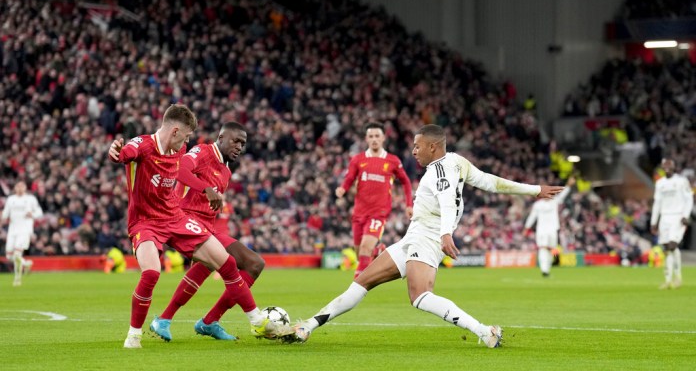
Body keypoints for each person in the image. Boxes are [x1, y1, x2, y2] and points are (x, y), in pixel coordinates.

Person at [286, 124, 564, 346]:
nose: (414, 151)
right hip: (414, 236)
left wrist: (445, 234)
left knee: (419, 296)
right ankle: (309, 326)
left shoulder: (439, 172)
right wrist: (533, 189)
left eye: (417, 146)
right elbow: (490, 182)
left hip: (428, 237)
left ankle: (484, 331)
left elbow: (445, 199)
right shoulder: (457, 162)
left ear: (433, 146)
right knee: (362, 282)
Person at [108, 105, 286, 349]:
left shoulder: (185, 150)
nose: (188, 142)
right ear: (175, 130)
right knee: (151, 273)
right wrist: (115, 151)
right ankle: (134, 335)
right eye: (187, 135)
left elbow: (179, 167)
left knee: (228, 263)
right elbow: (125, 153)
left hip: (176, 217)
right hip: (145, 221)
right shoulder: (146, 145)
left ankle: (256, 320)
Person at [150, 122, 266, 342]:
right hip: (183, 220)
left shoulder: (226, 169)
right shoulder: (202, 151)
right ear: (221, 137)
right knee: (239, 263)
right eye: (235, 141)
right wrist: (206, 188)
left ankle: (182, 320)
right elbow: (180, 170)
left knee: (251, 264)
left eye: (243, 143)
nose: (239, 147)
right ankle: (250, 319)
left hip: (206, 227)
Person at [336, 122, 413, 278]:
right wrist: (343, 188)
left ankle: (358, 284)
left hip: (379, 212)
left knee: (365, 248)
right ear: (366, 138)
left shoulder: (392, 161)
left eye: (377, 136)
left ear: (383, 138)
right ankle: (378, 251)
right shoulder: (358, 159)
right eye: (371, 136)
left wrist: (409, 204)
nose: (374, 139)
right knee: (360, 254)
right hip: (359, 212)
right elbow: (350, 177)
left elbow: (406, 182)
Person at [650, 158, 693, 289]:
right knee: (666, 249)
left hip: (678, 217)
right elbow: (657, 203)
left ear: (674, 167)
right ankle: (668, 280)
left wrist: (686, 215)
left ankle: (678, 278)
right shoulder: (660, 184)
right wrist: (653, 222)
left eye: (669, 165)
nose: (667, 167)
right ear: (662, 167)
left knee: (673, 245)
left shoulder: (681, 181)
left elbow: (689, 198)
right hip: (664, 218)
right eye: (665, 165)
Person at [524, 176, 574, 277]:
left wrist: (527, 228)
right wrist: (527, 228)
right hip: (547, 230)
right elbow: (532, 217)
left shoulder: (548, 203)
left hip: (547, 230)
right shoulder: (547, 203)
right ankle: (546, 269)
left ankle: (548, 267)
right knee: (547, 249)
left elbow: (532, 217)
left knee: (548, 249)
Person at [1, 181, 43, 286]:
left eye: (22, 186)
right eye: (17, 186)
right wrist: (3, 217)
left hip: (24, 230)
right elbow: (5, 214)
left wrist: (32, 214)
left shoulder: (30, 199)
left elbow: (39, 212)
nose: (19, 188)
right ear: (15, 188)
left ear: (25, 188)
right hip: (12, 230)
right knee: (9, 256)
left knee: (17, 254)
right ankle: (26, 263)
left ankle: (17, 279)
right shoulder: (11, 199)